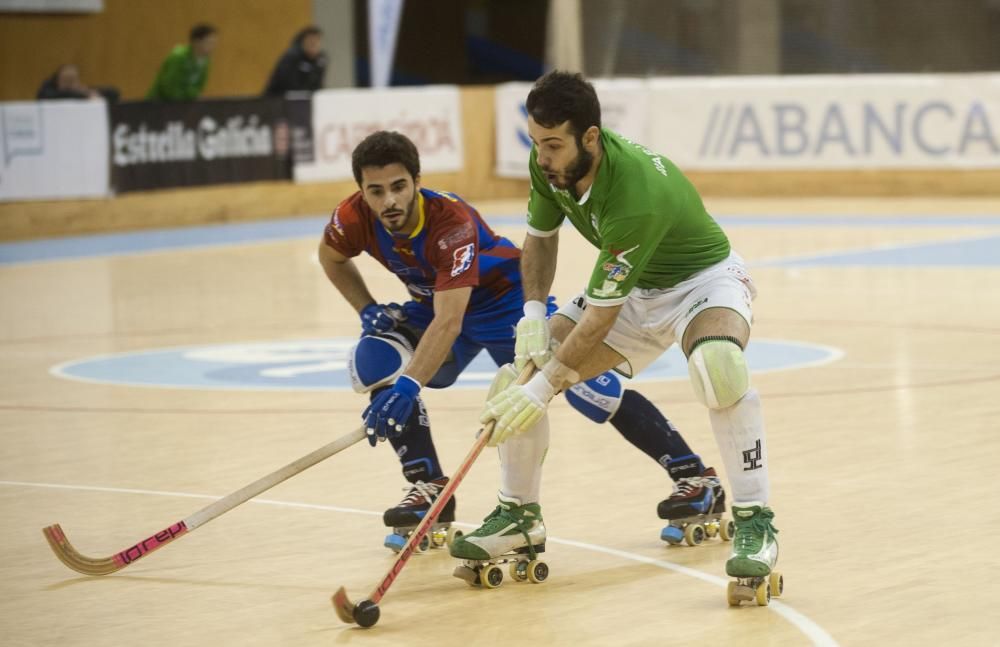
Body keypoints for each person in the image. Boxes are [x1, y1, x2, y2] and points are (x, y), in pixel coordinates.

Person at [318, 130, 726, 556]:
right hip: (434, 304)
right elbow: (331, 256)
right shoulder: (351, 216)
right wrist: (365, 309)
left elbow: (450, 321)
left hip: (501, 300)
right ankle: (428, 487)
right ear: (361, 191)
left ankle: (695, 477)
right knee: (373, 359)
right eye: (376, 191)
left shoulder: (450, 222)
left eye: (399, 187)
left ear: (417, 181)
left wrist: (410, 385)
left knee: (587, 389)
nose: (389, 202)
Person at [471, 71, 780, 589]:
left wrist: (545, 386)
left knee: (717, 368)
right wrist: (530, 315)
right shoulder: (548, 164)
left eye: (553, 145)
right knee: (517, 374)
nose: (542, 157)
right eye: (535, 143)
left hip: (702, 282)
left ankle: (755, 521)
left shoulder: (635, 191)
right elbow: (541, 240)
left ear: (590, 137)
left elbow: (600, 317)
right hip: (635, 285)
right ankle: (518, 516)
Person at [146, 23, 218, 102]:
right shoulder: (179, 57)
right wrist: (185, 98)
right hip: (160, 102)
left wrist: (192, 97)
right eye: (209, 43)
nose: (213, 47)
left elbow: (199, 86)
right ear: (197, 42)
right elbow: (169, 85)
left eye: (214, 43)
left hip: (183, 104)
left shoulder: (206, 61)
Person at [263, 26, 327, 96]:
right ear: (303, 42)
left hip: (305, 99)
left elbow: (318, 84)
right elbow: (287, 85)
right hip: (278, 99)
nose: (314, 45)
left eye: (316, 42)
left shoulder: (321, 60)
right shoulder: (291, 58)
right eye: (311, 42)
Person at [36, 64, 119, 102]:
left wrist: (89, 93)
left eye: (72, 80)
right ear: (57, 80)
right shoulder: (48, 92)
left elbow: (114, 92)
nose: (68, 84)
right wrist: (84, 95)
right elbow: (64, 95)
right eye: (66, 80)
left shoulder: (81, 91)